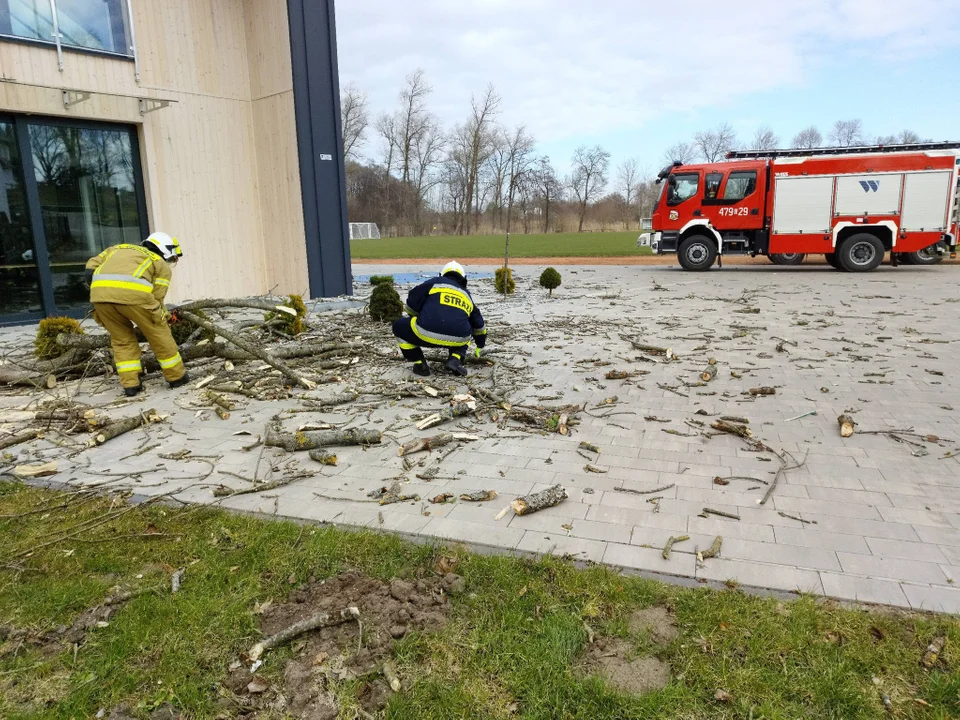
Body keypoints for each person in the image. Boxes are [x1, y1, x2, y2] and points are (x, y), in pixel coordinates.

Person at [85, 232, 190, 396]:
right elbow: (157, 299)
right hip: (136, 297)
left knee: (121, 340)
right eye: (171, 258)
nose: (169, 262)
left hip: (100, 299)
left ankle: (131, 385)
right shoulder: (159, 263)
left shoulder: (117, 248)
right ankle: (176, 377)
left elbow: (90, 267)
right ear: (165, 251)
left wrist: (102, 289)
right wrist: (166, 317)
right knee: (159, 335)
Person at [392, 261, 486, 377]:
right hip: (457, 339)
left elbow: (411, 302)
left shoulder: (434, 283)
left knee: (398, 326)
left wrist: (418, 315)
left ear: (441, 274)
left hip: (424, 333)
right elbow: (479, 325)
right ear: (464, 278)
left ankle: (420, 364)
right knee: (467, 328)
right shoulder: (467, 295)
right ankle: (455, 359)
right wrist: (480, 345)